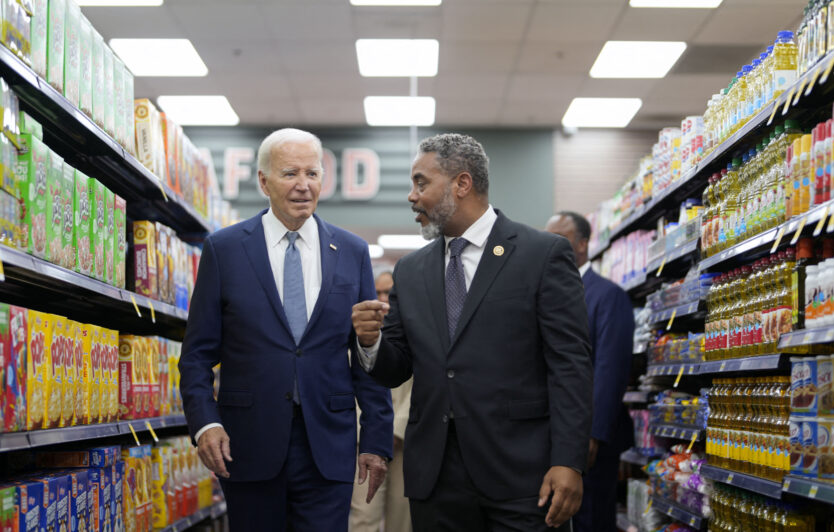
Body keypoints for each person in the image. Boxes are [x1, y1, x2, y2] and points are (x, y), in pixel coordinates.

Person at [351, 133, 593, 531]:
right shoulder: (411, 271)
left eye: (421, 182)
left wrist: (568, 460)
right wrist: (370, 341)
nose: (412, 196)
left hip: (521, 477)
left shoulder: (541, 255)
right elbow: (396, 368)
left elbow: (571, 366)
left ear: (462, 184)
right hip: (436, 479)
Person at [179, 128, 394, 532]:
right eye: (290, 173)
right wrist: (205, 423)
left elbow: (367, 354)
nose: (303, 186)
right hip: (247, 443)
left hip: (328, 444)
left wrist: (377, 440)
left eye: (312, 174)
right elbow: (197, 355)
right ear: (263, 181)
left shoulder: (350, 252)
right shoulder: (224, 249)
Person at [545, 212, 635, 532]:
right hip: (555, 433)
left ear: (582, 244)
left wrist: (593, 433)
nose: (550, 244)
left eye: (560, 237)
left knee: (591, 517)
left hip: (592, 439)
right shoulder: (548, 292)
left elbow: (610, 369)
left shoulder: (608, 296)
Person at [350, 271, 413, 532]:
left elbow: (422, 385)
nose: (382, 299)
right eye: (377, 293)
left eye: (389, 293)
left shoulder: (413, 331)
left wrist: (396, 429)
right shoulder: (353, 334)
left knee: (402, 516)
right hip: (365, 440)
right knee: (363, 516)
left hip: (405, 441)